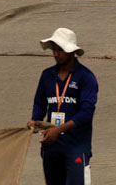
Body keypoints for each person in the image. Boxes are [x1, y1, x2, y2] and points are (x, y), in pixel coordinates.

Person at [27, 28, 98, 185]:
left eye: (61, 50)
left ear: (72, 51)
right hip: (51, 148)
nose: (56, 54)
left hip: (76, 148)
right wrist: (35, 120)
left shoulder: (86, 77)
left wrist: (58, 130)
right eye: (54, 49)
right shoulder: (47, 75)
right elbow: (40, 103)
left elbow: (86, 113)